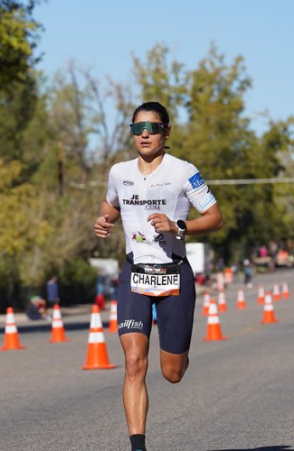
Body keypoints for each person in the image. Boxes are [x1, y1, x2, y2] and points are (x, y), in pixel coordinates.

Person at [93, 101, 223, 451]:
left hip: (174, 277)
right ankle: (138, 447)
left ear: (167, 132)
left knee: (171, 372)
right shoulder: (119, 172)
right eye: (138, 129)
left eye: (152, 128)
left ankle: (179, 351)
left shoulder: (183, 171)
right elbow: (110, 205)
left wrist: (179, 226)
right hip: (134, 274)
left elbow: (215, 217)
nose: (144, 134)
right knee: (134, 361)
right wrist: (103, 220)